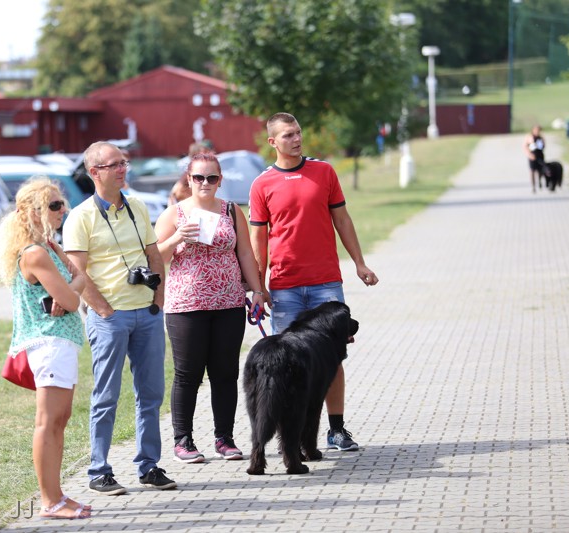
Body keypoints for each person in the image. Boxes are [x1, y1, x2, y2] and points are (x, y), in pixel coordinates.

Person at [249, 112, 378, 453]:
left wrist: (359, 263)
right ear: (272, 142)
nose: (296, 139)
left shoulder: (324, 172)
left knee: (332, 359)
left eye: (298, 132)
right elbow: (258, 240)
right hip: (285, 287)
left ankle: (336, 430)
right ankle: (290, 438)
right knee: (287, 365)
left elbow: (342, 219)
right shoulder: (262, 184)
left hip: (326, 285)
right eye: (288, 135)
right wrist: (259, 288)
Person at [62, 141, 176, 495]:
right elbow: (77, 273)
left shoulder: (137, 206)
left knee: (151, 395)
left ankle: (149, 466)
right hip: (110, 319)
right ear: (94, 172)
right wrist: (103, 309)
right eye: (114, 165)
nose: (123, 169)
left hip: (147, 313)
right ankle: (99, 471)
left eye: (124, 162)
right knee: (106, 396)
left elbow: (153, 254)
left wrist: (158, 298)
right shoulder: (80, 216)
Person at [155, 151, 265, 463]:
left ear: (220, 180)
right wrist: (177, 237)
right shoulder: (174, 214)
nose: (205, 183)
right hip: (186, 305)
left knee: (225, 373)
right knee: (188, 374)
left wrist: (258, 290)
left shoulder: (231, 210)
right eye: (199, 177)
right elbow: (155, 258)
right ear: (189, 180)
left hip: (228, 302)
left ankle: (224, 438)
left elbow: (245, 253)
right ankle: (183, 440)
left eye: (212, 177)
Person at [0, 179, 91, 519]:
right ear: (31, 211)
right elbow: (72, 298)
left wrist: (71, 285)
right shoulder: (34, 254)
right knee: (48, 423)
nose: (63, 210)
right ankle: (50, 501)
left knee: (60, 420)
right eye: (54, 205)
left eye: (62, 203)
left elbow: (79, 278)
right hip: (49, 343)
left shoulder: (47, 247)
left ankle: (58, 495)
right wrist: (72, 289)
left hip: (61, 342)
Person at [523, 125, 546, 193]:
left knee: (540, 170)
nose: (537, 131)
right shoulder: (529, 137)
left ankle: (539, 181)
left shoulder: (541, 138)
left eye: (538, 130)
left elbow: (543, 146)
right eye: (536, 130)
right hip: (532, 156)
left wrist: (542, 143)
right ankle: (533, 186)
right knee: (532, 171)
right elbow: (525, 147)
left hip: (540, 155)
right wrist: (529, 154)